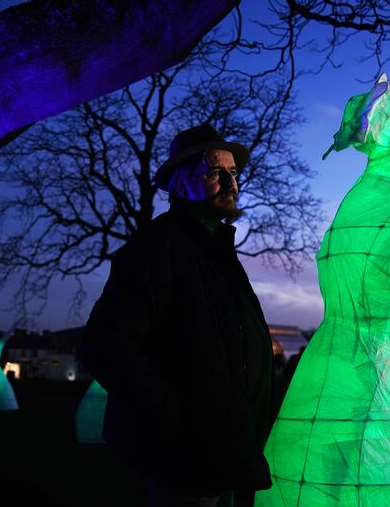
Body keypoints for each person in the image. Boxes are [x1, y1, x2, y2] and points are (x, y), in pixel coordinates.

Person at [81, 124, 275, 506]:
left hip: (225, 452)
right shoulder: (157, 247)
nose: (230, 182)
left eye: (233, 173)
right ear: (179, 184)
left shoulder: (214, 250)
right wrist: (181, 424)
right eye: (214, 172)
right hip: (189, 461)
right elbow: (105, 346)